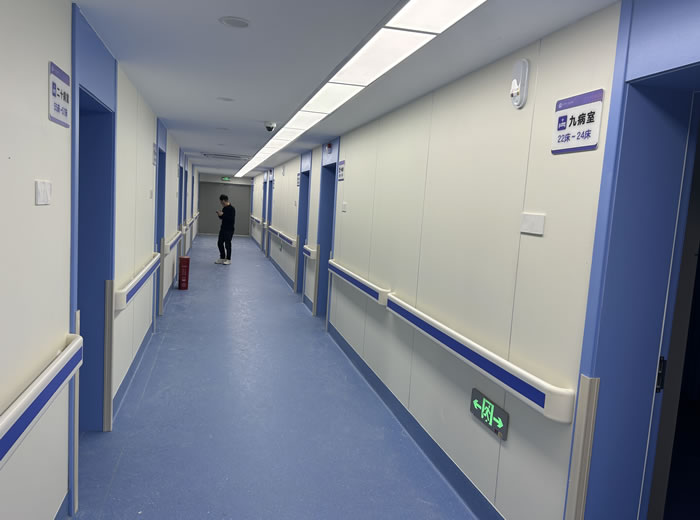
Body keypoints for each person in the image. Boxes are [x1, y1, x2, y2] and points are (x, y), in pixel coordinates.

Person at [215, 194, 235, 265]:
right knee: (219, 243)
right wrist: (219, 215)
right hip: (223, 228)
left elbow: (230, 219)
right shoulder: (224, 208)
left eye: (221, 201)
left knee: (227, 244)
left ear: (223, 201)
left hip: (229, 229)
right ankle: (222, 257)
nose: (221, 203)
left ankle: (228, 259)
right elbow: (223, 218)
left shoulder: (232, 209)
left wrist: (223, 215)